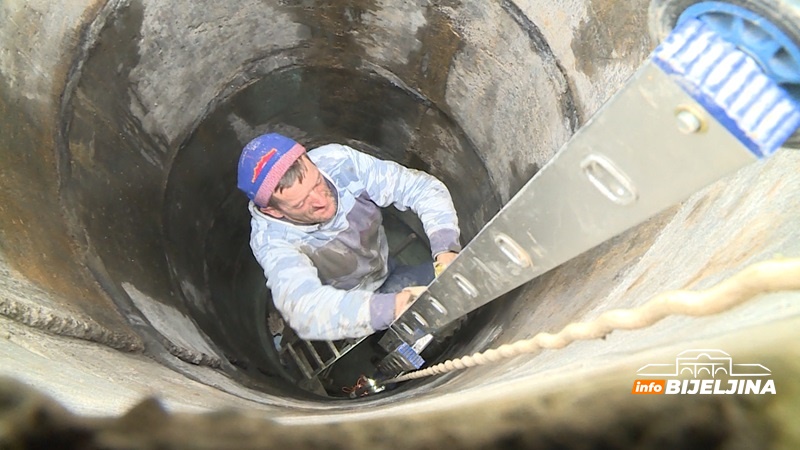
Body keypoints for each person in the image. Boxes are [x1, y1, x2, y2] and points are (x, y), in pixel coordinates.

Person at [237, 133, 461, 341]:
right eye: (301, 203)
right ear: (273, 211)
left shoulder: (340, 162)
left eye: (317, 183)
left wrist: (446, 249)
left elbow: (421, 188)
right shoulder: (272, 240)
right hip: (345, 300)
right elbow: (304, 308)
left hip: (383, 265)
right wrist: (390, 308)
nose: (321, 201)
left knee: (452, 286)